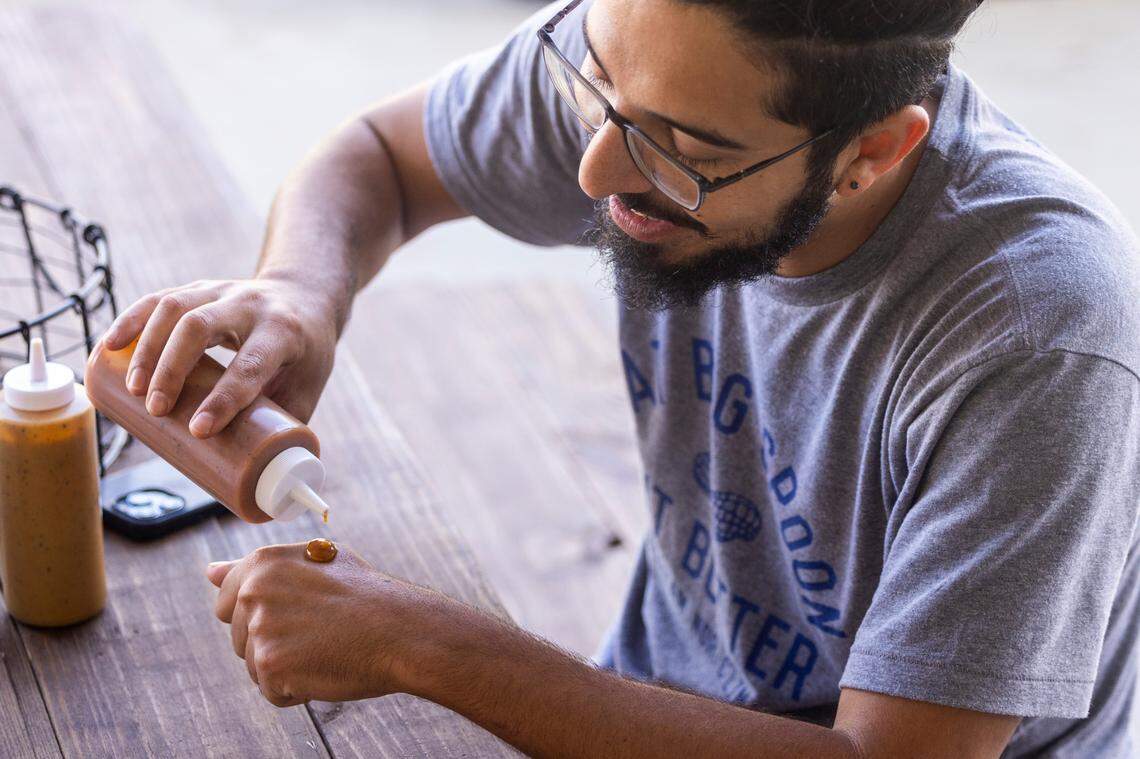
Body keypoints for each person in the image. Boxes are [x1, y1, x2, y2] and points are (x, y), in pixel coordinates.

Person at [103, 0, 1140, 755]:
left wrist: (429, 648)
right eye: (596, 86)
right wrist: (299, 292)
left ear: (870, 152)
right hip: (652, 689)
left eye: (681, 154)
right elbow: (377, 153)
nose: (597, 170)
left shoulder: (1037, 337)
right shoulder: (656, 66)